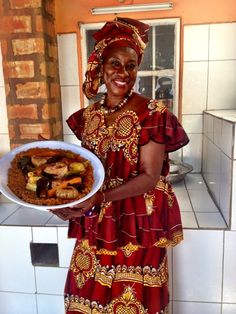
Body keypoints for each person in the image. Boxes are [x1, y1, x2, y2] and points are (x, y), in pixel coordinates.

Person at [53, 17, 189, 314]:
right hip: (97, 222)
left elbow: (150, 176)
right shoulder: (88, 117)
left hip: (139, 222)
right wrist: (63, 199)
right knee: (84, 295)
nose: (123, 72)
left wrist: (99, 197)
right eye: (115, 63)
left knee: (133, 302)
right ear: (101, 68)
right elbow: (86, 171)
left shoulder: (153, 114)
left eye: (130, 65)